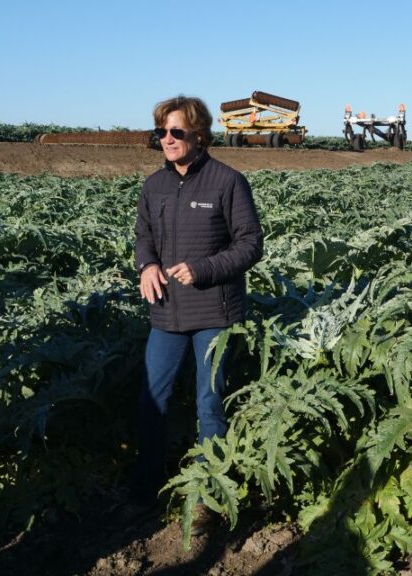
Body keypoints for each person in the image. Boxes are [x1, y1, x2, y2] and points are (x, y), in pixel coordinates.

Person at [129, 95, 264, 528]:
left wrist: (204, 269)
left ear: (199, 135)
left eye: (175, 132)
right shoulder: (154, 186)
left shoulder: (227, 182)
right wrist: (147, 265)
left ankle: (210, 495)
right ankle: (146, 489)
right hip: (166, 314)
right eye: (160, 133)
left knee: (210, 405)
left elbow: (250, 244)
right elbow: (143, 236)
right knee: (152, 401)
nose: (166, 140)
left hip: (214, 313)